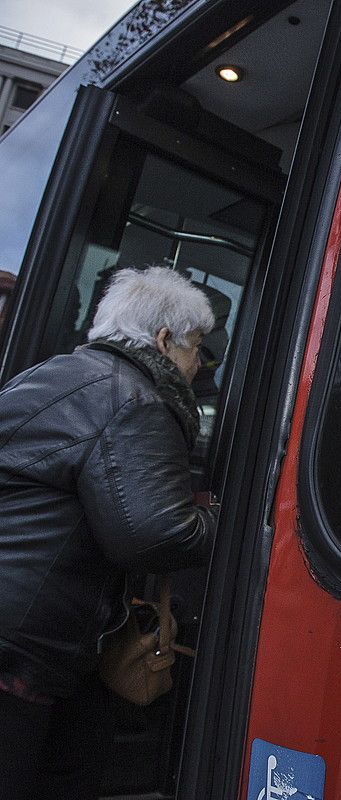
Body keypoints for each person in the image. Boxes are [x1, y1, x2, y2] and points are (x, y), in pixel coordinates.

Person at [0, 267, 219, 799]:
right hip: (20, 652)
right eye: (197, 349)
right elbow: (156, 535)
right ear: (164, 341)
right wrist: (222, 519)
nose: (200, 367)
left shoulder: (64, 372)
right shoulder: (136, 399)